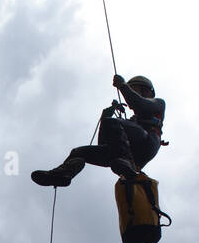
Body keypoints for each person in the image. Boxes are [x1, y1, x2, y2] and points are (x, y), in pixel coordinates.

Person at [31, 75, 165, 187]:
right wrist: (107, 115)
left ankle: (125, 162)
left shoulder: (158, 103)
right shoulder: (133, 121)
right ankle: (62, 174)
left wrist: (123, 86)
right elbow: (103, 143)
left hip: (146, 144)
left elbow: (140, 104)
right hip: (128, 152)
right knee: (79, 152)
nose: (133, 94)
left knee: (111, 123)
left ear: (147, 91)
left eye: (135, 90)